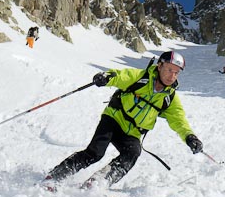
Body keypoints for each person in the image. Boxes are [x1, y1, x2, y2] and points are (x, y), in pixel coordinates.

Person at [45, 50, 203, 188]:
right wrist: (106, 77)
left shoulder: (169, 97)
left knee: (133, 152)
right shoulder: (140, 78)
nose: (172, 76)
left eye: (176, 72)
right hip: (113, 119)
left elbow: (179, 120)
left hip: (132, 132)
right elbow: (120, 76)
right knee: (95, 153)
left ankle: (97, 183)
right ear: (160, 66)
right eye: (169, 70)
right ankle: (55, 176)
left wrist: (190, 137)